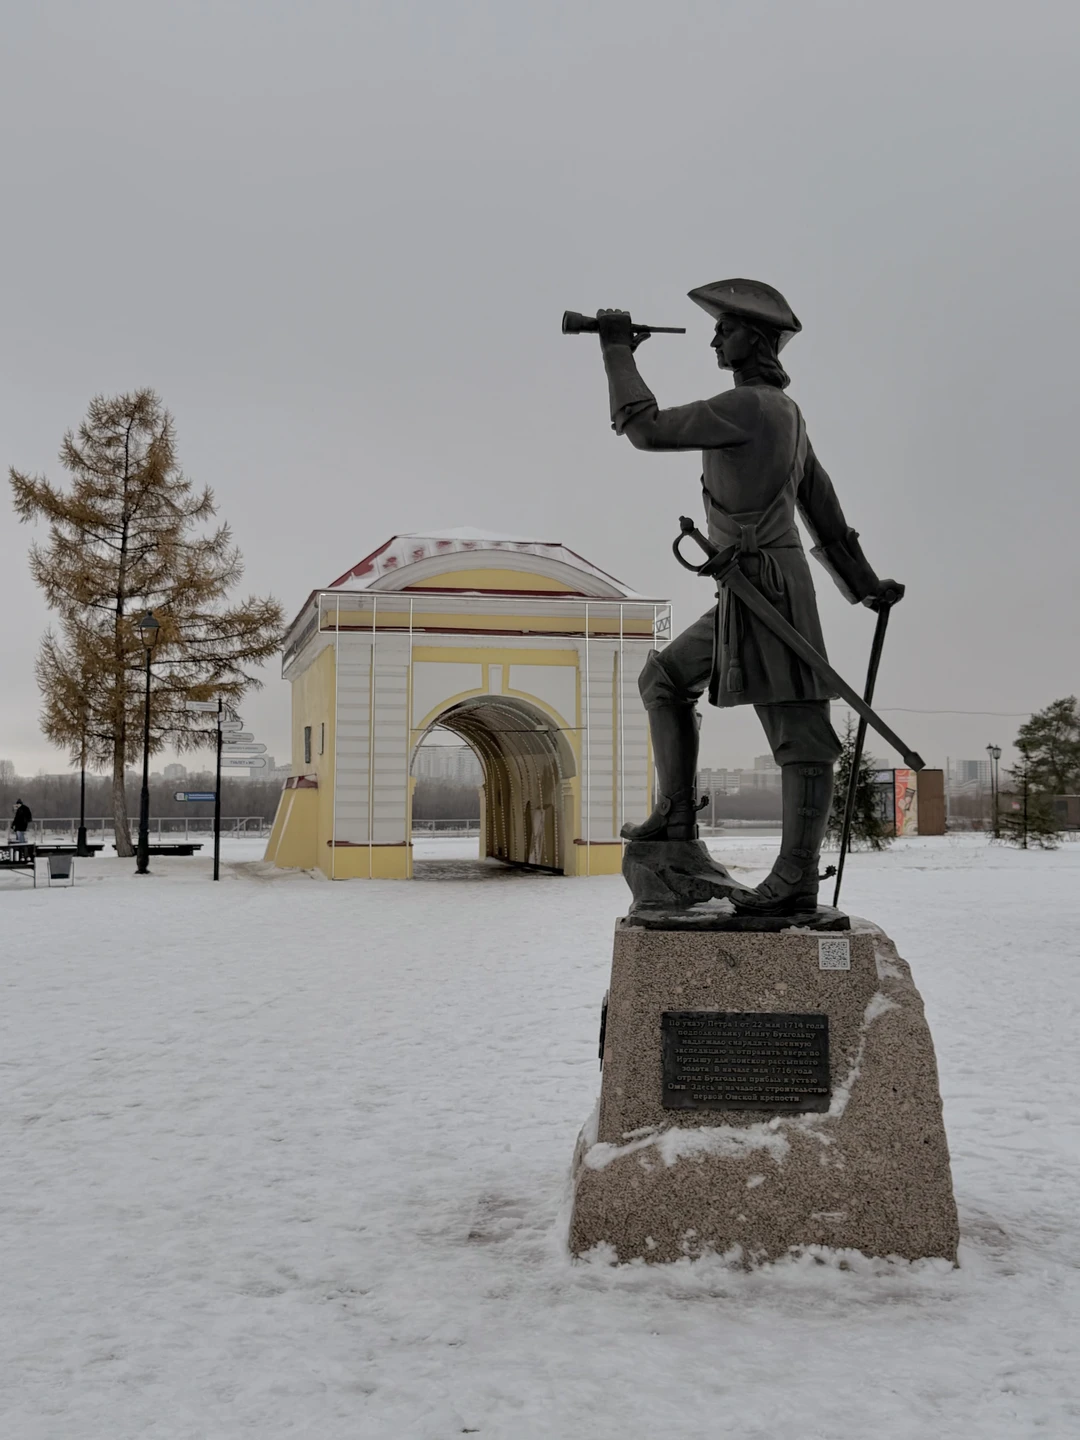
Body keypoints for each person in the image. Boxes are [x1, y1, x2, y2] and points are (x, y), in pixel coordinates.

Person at [594, 279, 903, 915]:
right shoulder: (786, 414)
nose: (714, 338)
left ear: (755, 341)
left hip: (768, 587)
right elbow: (826, 514)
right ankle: (676, 819)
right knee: (663, 678)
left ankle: (795, 879)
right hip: (746, 586)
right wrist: (865, 584)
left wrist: (616, 349)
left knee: (799, 731)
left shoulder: (752, 407)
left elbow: (645, 429)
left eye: (726, 329)